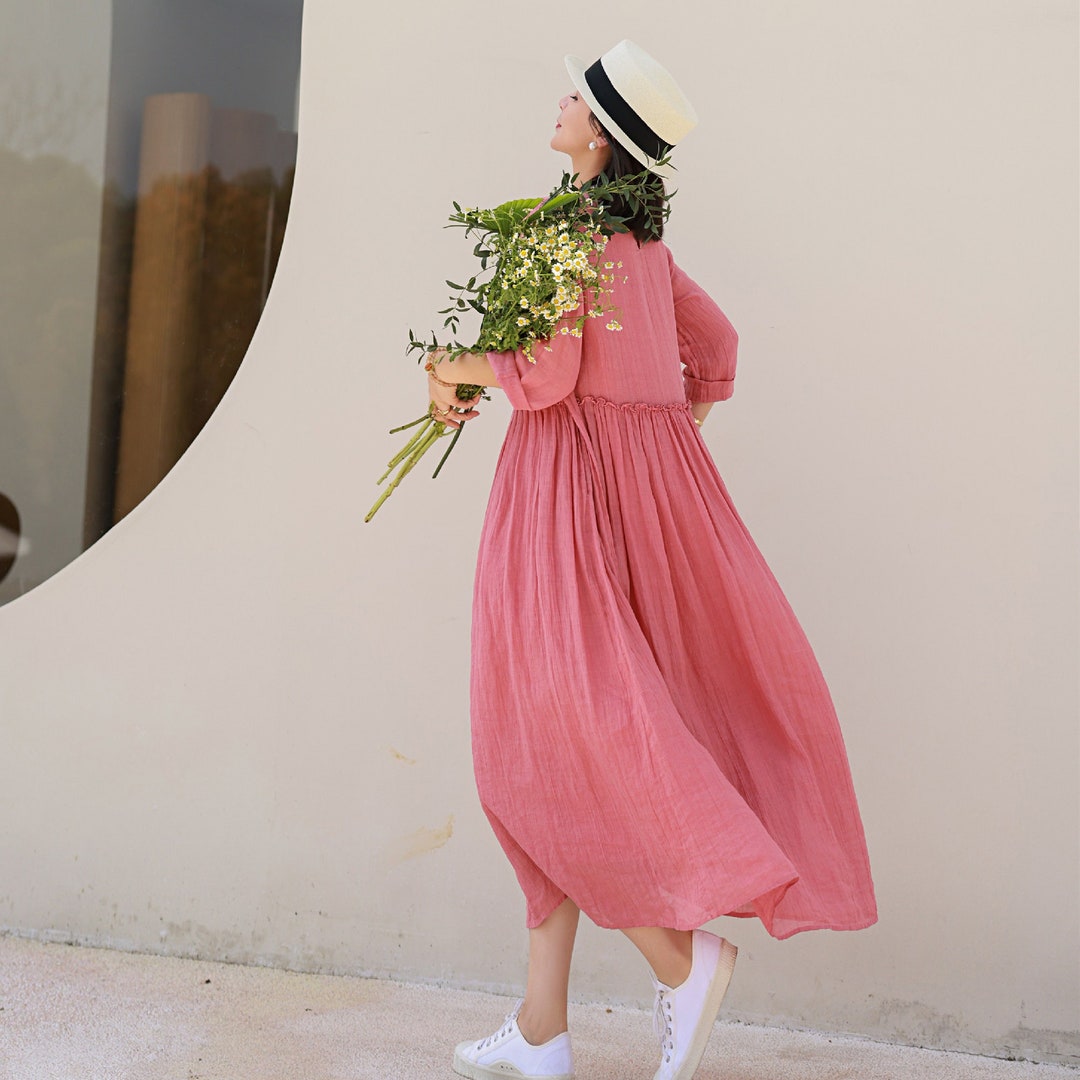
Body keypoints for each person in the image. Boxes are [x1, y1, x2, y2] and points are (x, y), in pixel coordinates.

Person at [423, 39, 877, 1080]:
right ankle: (542, 1028)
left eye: (577, 98)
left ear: (602, 136)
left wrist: (445, 368)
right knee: (553, 746)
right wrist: (660, 448)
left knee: (537, 753)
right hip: (633, 510)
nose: (562, 103)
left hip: (555, 505)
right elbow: (713, 348)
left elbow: (543, 374)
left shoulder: (564, 231)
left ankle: (678, 961)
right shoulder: (643, 249)